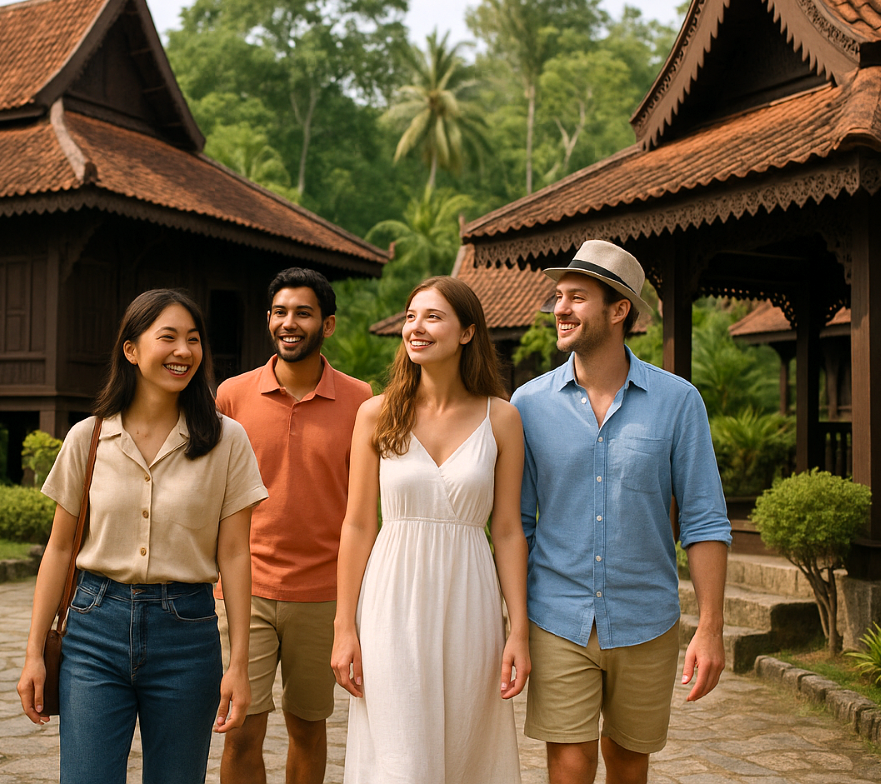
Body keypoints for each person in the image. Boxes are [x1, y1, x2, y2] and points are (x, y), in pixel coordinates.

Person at [16, 289, 267, 784]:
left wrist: (239, 663)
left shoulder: (226, 440)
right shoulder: (87, 438)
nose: (183, 351)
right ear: (130, 349)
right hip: (93, 632)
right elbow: (60, 548)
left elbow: (236, 554)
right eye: (167, 337)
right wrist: (32, 656)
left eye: (193, 340)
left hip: (187, 634)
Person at [512, 240, 732, 784]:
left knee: (630, 765)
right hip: (557, 615)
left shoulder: (679, 402)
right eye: (558, 296)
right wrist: (512, 623)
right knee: (569, 763)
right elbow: (514, 525)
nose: (560, 308)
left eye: (577, 297)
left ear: (618, 310)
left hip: (646, 619)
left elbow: (704, 519)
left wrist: (711, 627)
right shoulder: (527, 404)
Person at [333, 275, 529, 784]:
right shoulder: (375, 414)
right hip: (391, 599)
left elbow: (507, 531)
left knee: (467, 747)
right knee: (400, 757)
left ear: (467, 332)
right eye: (411, 316)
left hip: (470, 599)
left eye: (433, 317)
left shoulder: (502, 418)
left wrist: (519, 629)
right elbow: (357, 525)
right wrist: (344, 627)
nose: (416, 328)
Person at [214, 267, 372, 784]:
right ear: (267, 320)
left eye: (303, 313)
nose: (290, 323)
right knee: (241, 728)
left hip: (324, 595)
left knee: (309, 727)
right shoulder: (231, 397)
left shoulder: (360, 400)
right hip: (246, 590)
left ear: (327, 324)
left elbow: (365, 505)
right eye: (280, 312)